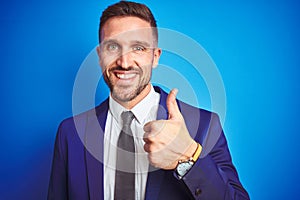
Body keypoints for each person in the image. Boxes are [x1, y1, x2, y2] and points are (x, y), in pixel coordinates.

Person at [48, 1, 249, 199]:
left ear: (155, 57)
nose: (124, 62)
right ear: (100, 56)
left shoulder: (204, 126)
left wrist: (187, 156)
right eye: (112, 47)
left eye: (138, 48)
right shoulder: (70, 133)